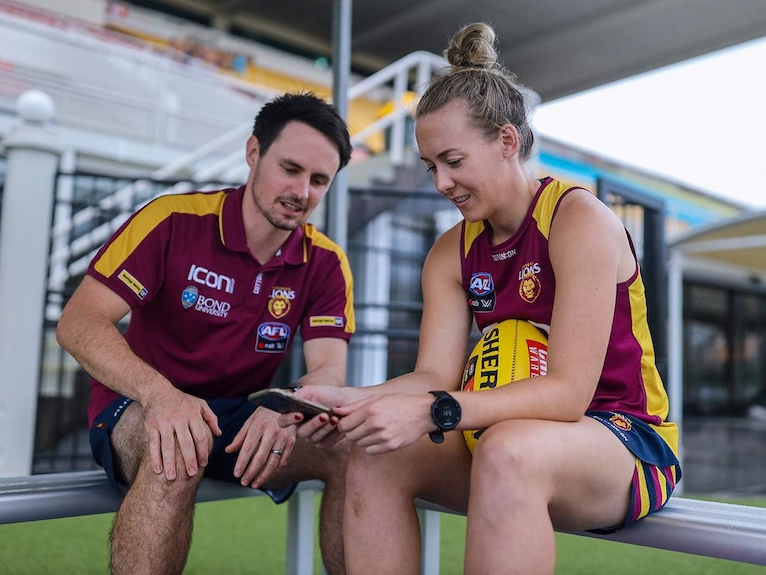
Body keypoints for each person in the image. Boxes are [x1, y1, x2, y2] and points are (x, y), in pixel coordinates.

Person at [288, 23, 681, 575]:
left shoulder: (579, 220)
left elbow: (569, 394)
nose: (441, 183)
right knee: (376, 452)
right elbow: (433, 376)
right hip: (504, 432)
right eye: (431, 167)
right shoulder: (450, 252)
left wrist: (435, 410)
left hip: (624, 438)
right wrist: (349, 399)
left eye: (453, 161)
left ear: (506, 141)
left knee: (507, 451)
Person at [56, 92, 355, 575]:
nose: (302, 191)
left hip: (240, 417)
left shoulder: (326, 261)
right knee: (174, 449)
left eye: (319, 180)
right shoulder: (171, 219)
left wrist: (286, 407)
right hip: (140, 405)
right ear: (253, 153)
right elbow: (79, 323)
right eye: (291, 168)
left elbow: (329, 368)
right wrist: (161, 396)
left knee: (351, 449)